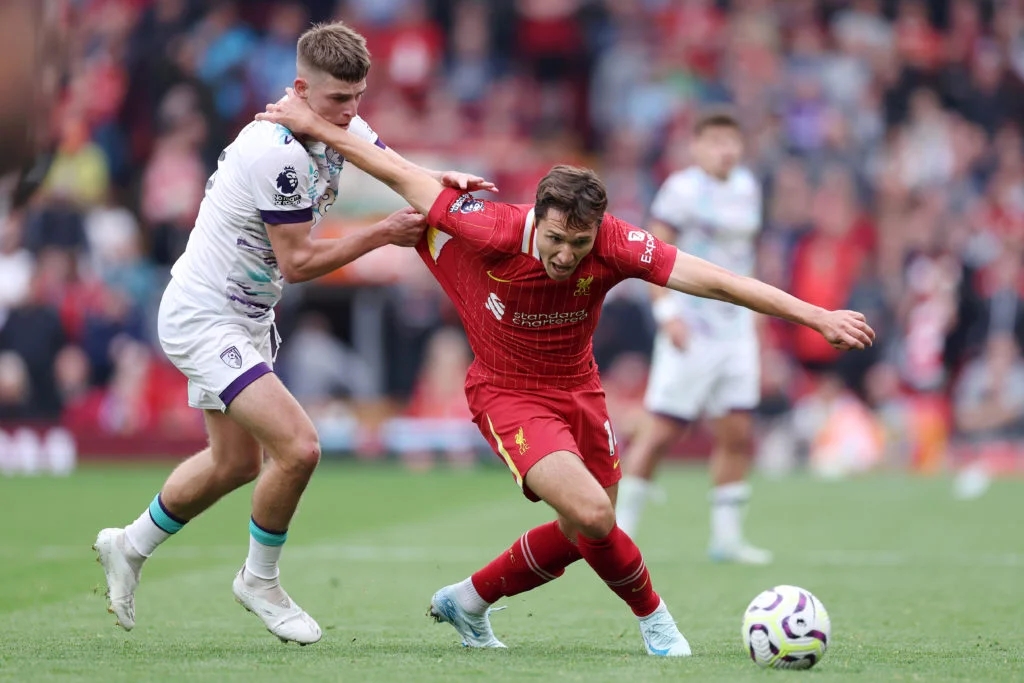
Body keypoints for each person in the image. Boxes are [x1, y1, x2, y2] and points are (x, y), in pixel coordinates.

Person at [255, 91, 874, 656]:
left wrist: (814, 315)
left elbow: (718, 279)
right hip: (507, 393)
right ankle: (657, 622)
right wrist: (312, 124)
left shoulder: (614, 242)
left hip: (581, 390)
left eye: (579, 244)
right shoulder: (492, 226)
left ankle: (467, 601)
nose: (566, 255)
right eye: (556, 239)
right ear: (537, 220)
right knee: (598, 517)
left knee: (582, 531)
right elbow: (397, 172)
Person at [92, 21, 494, 645]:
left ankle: (130, 545)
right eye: (338, 99)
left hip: (247, 317)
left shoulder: (338, 124)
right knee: (301, 448)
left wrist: (442, 182)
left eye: (359, 97)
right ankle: (260, 580)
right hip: (205, 316)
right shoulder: (274, 151)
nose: (351, 112)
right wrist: (381, 233)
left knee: (233, 463)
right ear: (302, 88)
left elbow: (389, 164)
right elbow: (299, 264)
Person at [615, 112, 772, 564]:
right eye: (716, 140)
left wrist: (758, 315)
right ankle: (620, 532)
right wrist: (667, 313)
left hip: (736, 329)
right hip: (692, 327)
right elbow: (654, 251)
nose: (726, 149)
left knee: (737, 430)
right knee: (663, 430)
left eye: (732, 140)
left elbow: (745, 256)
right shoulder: (680, 190)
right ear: (697, 147)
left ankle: (726, 539)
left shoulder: (747, 187)